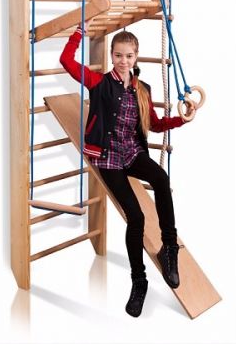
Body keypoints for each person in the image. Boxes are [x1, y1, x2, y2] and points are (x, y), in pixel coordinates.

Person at [59, 20, 190, 318]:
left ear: (136, 56)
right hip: (108, 157)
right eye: (118, 55)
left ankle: (169, 248)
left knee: (161, 179)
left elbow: (154, 124)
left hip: (131, 152)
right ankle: (139, 281)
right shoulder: (99, 82)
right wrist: (78, 33)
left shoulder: (142, 90)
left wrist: (181, 120)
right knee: (137, 217)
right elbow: (66, 61)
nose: (123, 61)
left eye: (129, 56)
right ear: (112, 56)